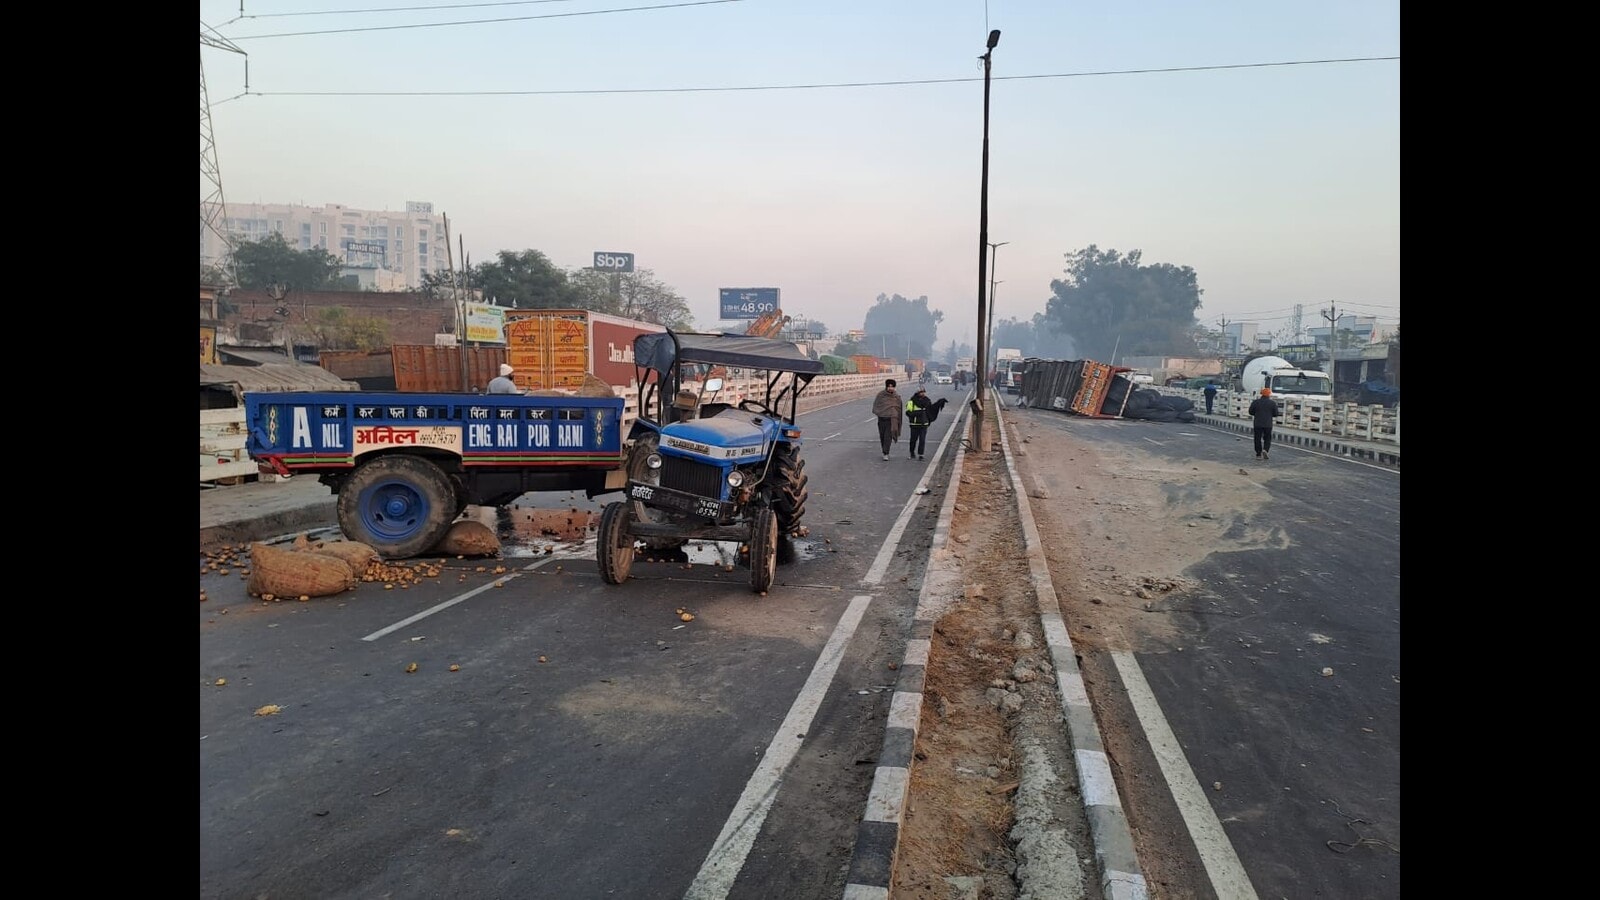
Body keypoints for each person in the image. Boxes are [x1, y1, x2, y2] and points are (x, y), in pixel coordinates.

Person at [871, 378, 903, 461]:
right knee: (882, 436)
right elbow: (876, 406)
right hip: (881, 419)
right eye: (889, 386)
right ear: (886, 387)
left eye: (892, 387)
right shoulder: (881, 395)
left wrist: (897, 419)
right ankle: (884, 451)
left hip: (891, 420)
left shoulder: (897, 397)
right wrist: (880, 413)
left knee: (887, 437)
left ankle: (886, 453)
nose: (890, 388)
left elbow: (899, 409)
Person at [1248, 387, 1281, 460]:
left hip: (1257, 423)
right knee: (1267, 438)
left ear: (1261, 394)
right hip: (1268, 424)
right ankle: (1265, 450)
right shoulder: (1272, 403)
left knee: (1257, 438)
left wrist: (1257, 413)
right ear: (1269, 395)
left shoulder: (1256, 402)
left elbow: (1250, 412)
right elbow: (1275, 414)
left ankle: (1258, 454)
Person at [905, 387, 933, 460]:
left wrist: (928, 420)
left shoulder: (928, 401)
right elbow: (908, 412)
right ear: (917, 393)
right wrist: (919, 413)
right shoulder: (911, 401)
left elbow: (930, 412)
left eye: (923, 392)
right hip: (914, 424)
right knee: (913, 440)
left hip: (924, 424)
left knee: (922, 440)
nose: (922, 393)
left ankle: (921, 454)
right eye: (921, 392)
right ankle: (912, 452)